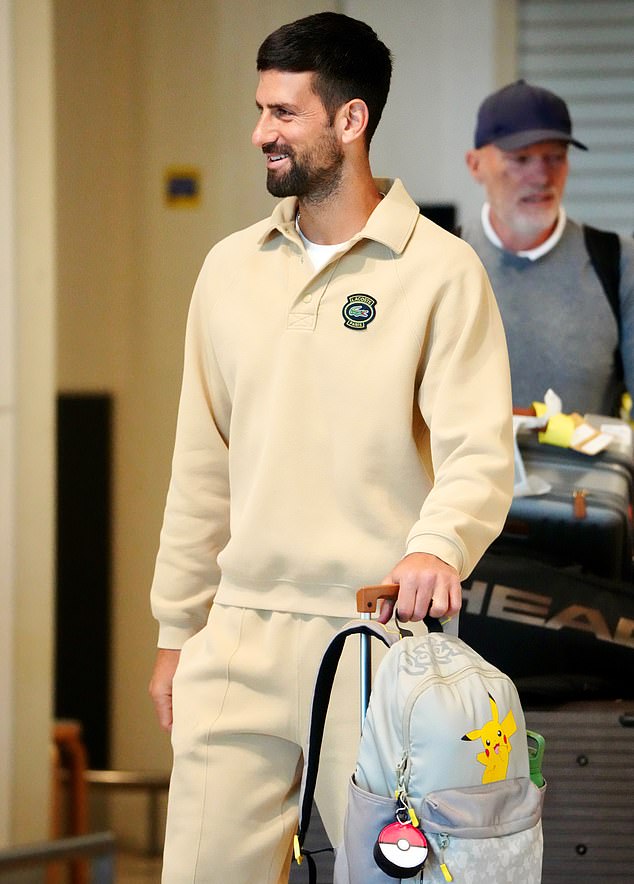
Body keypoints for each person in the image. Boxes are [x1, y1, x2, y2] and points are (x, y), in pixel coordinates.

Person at [148, 12, 514, 884]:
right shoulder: (229, 269)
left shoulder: (441, 270)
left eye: (284, 114)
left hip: (377, 643)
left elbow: (479, 452)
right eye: (261, 110)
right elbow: (200, 462)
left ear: (350, 122)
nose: (259, 133)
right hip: (236, 637)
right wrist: (176, 629)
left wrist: (438, 544)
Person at [463, 79, 634, 417]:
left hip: (587, 470)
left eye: (555, 157)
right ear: (476, 165)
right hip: (468, 471)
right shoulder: (441, 259)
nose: (541, 176)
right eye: (521, 158)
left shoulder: (618, 263)